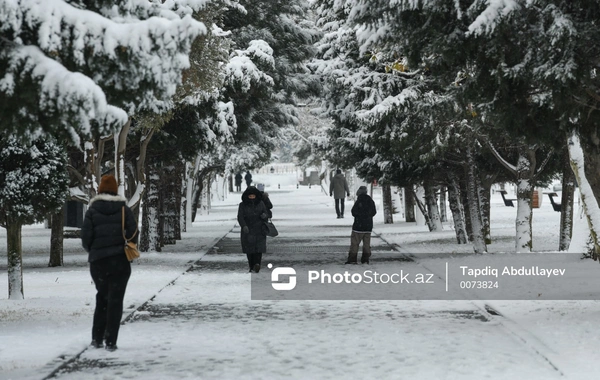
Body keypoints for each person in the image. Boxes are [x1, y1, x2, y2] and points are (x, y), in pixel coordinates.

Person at [81, 174, 137, 351]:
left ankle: (97, 338)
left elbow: (85, 238)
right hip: (120, 261)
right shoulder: (123, 209)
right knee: (116, 300)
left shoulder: (92, 211)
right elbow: (134, 232)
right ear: (115, 190)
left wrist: (95, 251)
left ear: (100, 191)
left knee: (102, 297)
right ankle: (111, 341)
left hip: (98, 263)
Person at [237, 186, 269, 273]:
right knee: (249, 250)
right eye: (250, 196)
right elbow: (240, 217)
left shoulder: (261, 203)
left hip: (259, 229)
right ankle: (251, 266)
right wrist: (244, 226)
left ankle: (257, 264)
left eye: (253, 196)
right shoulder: (242, 205)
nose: (251, 198)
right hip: (248, 230)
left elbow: (266, 213)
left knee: (259, 249)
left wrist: (264, 216)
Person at [346, 186, 377, 264]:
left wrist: (360, 216)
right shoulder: (370, 201)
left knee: (355, 243)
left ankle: (352, 259)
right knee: (366, 244)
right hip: (368, 226)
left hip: (358, 226)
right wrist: (368, 216)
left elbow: (353, 212)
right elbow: (374, 212)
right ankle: (365, 259)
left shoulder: (358, 201)